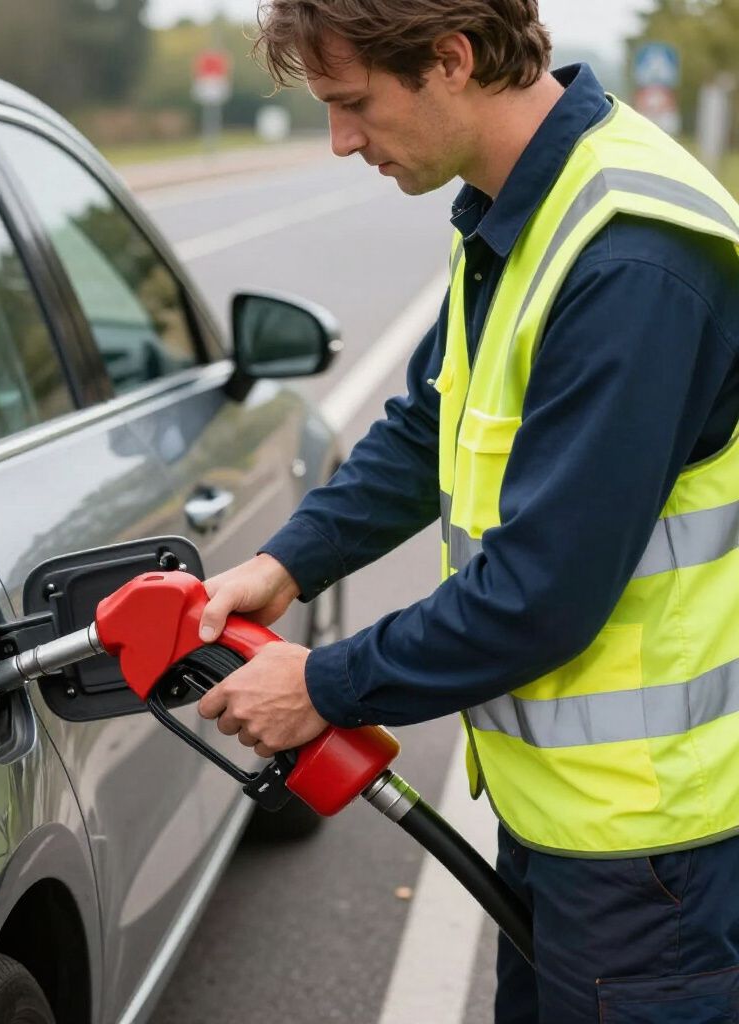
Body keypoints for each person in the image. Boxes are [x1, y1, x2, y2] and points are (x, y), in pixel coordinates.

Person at [193, 1, 739, 1020]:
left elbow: (543, 590)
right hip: (570, 819)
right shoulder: (520, 211)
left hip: (652, 846)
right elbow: (425, 429)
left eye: (352, 103)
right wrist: (284, 565)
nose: (341, 140)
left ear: (450, 58)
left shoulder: (626, 257)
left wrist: (323, 683)